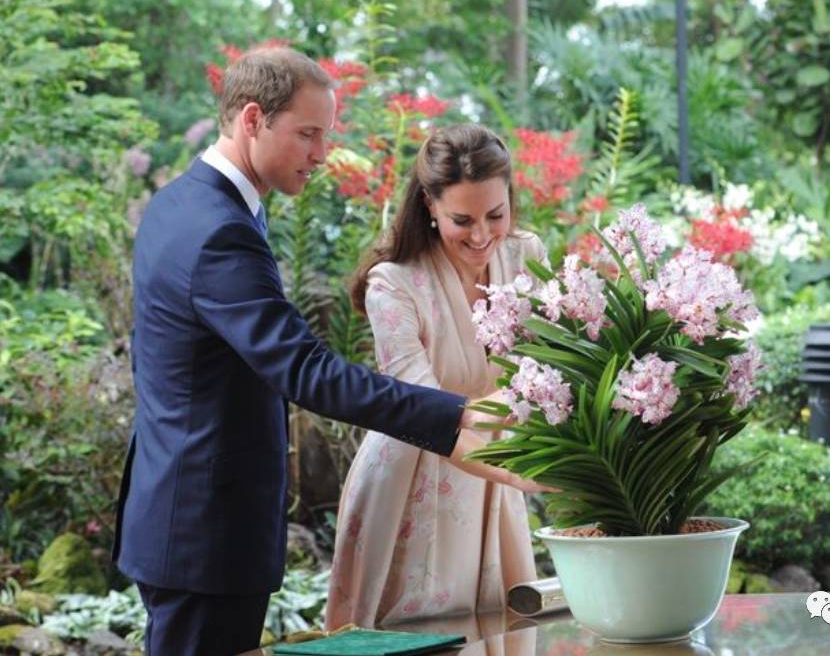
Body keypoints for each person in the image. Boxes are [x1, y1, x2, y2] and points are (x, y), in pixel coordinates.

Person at [112, 48, 542, 656]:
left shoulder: (184, 204)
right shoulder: (217, 230)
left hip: (189, 516)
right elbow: (304, 368)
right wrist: (452, 416)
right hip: (202, 530)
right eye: (308, 134)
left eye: (326, 135)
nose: (321, 153)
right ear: (254, 119)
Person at [325, 124, 541, 630]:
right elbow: (426, 413)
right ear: (429, 205)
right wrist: (528, 471)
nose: (483, 235)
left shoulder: (525, 256)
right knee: (410, 632)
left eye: (496, 214)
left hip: (498, 474)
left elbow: (549, 365)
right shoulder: (394, 284)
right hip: (414, 475)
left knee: (498, 628)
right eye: (462, 220)